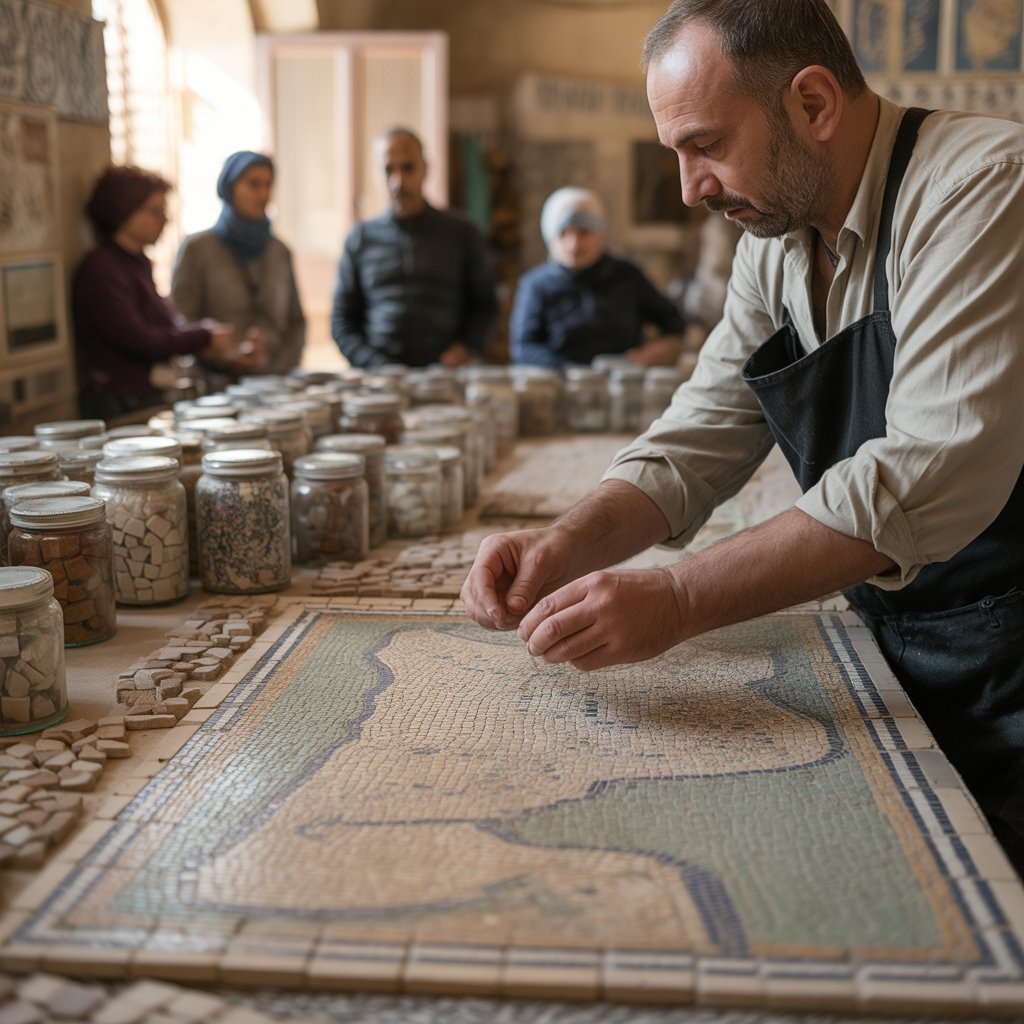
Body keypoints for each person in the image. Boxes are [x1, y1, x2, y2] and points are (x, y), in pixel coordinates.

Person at [462, 0, 1024, 873]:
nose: (691, 190)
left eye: (706, 146)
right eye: (676, 154)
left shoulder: (983, 188)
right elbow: (707, 424)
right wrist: (569, 541)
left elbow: (926, 468)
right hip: (899, 626)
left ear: (812, 103)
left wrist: (681, 601)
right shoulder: (777, 231)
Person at [72, 166, 260, 420]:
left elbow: (162, 325)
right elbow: (140, 339)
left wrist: (210, 339)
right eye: (155, 210)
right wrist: (204, 336)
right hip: (120, 403)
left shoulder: (136, 262)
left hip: (145, 395)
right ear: (123, 211)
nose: (164, 219)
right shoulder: (103, 268)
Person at [331, 127, 499, 368]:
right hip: (377, 380)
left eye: (408, 168)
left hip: (446, 374)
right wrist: (376, 365)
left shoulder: (462, 233)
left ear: (425, 169)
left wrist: (464, 349)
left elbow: (486, 305)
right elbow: (342, 321)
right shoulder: (360, 239)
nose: (398, 181)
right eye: (388, 170)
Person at [510, 187, 686, 370]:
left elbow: (673, 321)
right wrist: (570, 372)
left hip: (620, 381)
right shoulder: (536, 285)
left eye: (583, 232)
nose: (574, 244)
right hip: (559, 385)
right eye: (563, 234)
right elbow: (524, 348)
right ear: (550, 239)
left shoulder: (626, 275)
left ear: (599, 233)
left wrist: (656, 352)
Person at [172, 150, 305, 388]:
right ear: (230, 188)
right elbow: (181, 319)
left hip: (276, 385)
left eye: (268, 185)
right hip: (214, 387)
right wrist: (226, 355)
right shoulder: (198, 249)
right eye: (253, 184)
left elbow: (296, 323)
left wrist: (274, 370)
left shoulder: (279, 251)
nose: (263, 194)